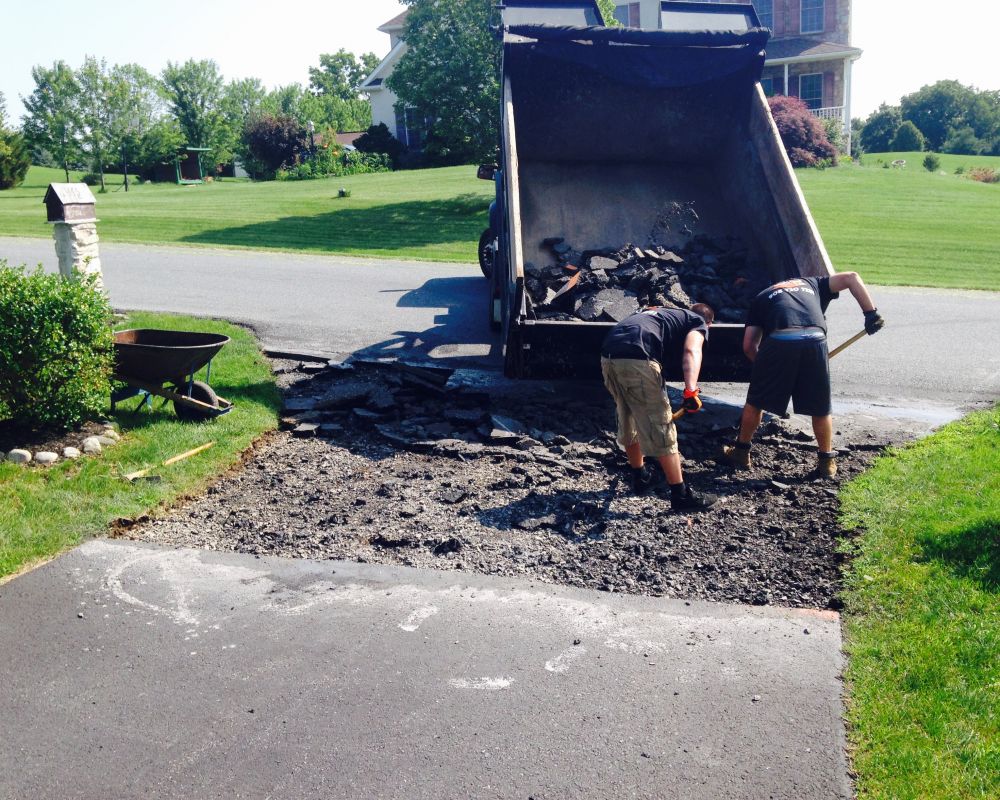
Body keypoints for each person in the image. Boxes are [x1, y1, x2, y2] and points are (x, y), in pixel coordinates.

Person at [721, 272, 885, 478]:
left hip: (781, 339)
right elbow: (851, 277)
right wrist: (871, 313)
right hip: (816, 339)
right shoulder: (813, 284)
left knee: (756, 402)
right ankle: (827, 462)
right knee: (820, 406)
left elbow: (749, 346)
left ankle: (741, 453)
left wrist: (767, 370)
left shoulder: (762, 297)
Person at [600, 303, 719, 512]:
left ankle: (640, 476)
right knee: (660, 424)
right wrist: (691, 391)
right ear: (709, 323)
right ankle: (680, 495)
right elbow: (692, 350)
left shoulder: (657, 312)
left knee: (627, 414)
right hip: (637, 358)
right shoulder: (698, 321)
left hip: (609, 356)